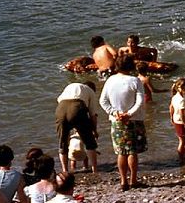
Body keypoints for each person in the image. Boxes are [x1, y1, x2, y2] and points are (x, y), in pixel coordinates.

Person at [99, 53, 146, 190]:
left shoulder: (110, 80)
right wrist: (129, 114)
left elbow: (103, 101)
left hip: (116, 120)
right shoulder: (135, 81)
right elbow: (140, 101)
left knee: (121, 152)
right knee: (132, 152)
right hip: (134, 120)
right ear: (131, 66)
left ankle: (123, 181)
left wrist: (115, 113)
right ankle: (133, 180)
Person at [55, 80, 100, 174]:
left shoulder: (71, 86)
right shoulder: (90, 92)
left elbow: (59, 100)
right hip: (77, 107)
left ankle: (65, 171)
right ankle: (95, 170)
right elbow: (93, 115)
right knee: (90, 143)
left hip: (61, 108)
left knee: (63, 143)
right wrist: (94, 130)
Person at [170, 78, 185, 164]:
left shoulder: (175, 96)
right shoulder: (182, 100)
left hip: (176, 121)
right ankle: (182, 158)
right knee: (183, 141)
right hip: (183, 122)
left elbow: (171, 107)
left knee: (184, 139)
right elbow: (182, 114)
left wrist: (171, 117)